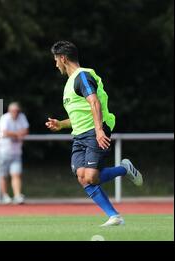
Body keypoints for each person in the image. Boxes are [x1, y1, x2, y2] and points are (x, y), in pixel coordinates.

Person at [46, 40, 143, 227]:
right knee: (82, 176)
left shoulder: (82, 76)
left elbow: (94, 103)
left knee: (90, 177)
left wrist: (99, 130)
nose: (55, 63)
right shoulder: (69, 83)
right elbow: (81, 113)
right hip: (79, 134)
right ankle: (114, 216)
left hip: (95, 131)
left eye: (56, 59)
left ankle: (124, 169)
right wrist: (61, 124)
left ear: (63, 58)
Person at [0, 102, 29, 204]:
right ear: (9, 111)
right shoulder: (4, 118)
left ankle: (17, 195)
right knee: (2, 175)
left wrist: (14, 134)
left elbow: (26, 130)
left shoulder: (22, 117)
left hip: (16, 152)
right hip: (3, 151)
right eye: (13, 111)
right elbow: (5, 132)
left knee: (16, 174)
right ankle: (5, 196)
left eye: (17, 111)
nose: (15, 113)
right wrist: (18, 134)